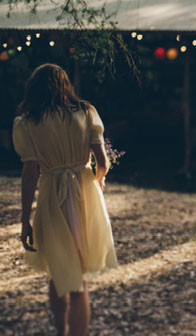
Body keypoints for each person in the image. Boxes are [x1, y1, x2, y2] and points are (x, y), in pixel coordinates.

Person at [13, 63, 118, 336]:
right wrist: (97, 181)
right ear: (65, 85)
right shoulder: (85, 112)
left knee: (57, 271)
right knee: (79, 280)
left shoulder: (28, 122)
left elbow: (30, 173)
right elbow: (103, 162)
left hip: (52, 198)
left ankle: (61, 332)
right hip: (85, 196)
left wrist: (25, 220)